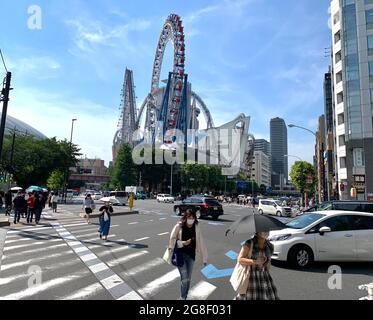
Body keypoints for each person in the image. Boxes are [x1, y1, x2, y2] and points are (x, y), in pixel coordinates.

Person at [168, 209, 208, 300]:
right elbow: (172, 239)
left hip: (191, 256)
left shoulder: (196, 227)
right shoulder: (179, 226)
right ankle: (182, 298)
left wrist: (204, 258)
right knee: (185, 278)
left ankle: (184, 297)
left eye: (193, 218)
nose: (191, 219)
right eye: (189, 218)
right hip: (180, 256)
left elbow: (201, 242)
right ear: (185, 218)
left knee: (188, 279)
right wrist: (182, 243)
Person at [236, 232, 279, 300]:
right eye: (263, 229)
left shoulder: (270, 246)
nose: (266, 232)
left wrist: (266, 261)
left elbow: (268, 262)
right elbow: (240, 259)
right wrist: (255, 262)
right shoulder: (249, 243)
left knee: (270, 296)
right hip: (250, 277)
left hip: (265, 276)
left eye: (267, 229)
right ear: (257, 231)